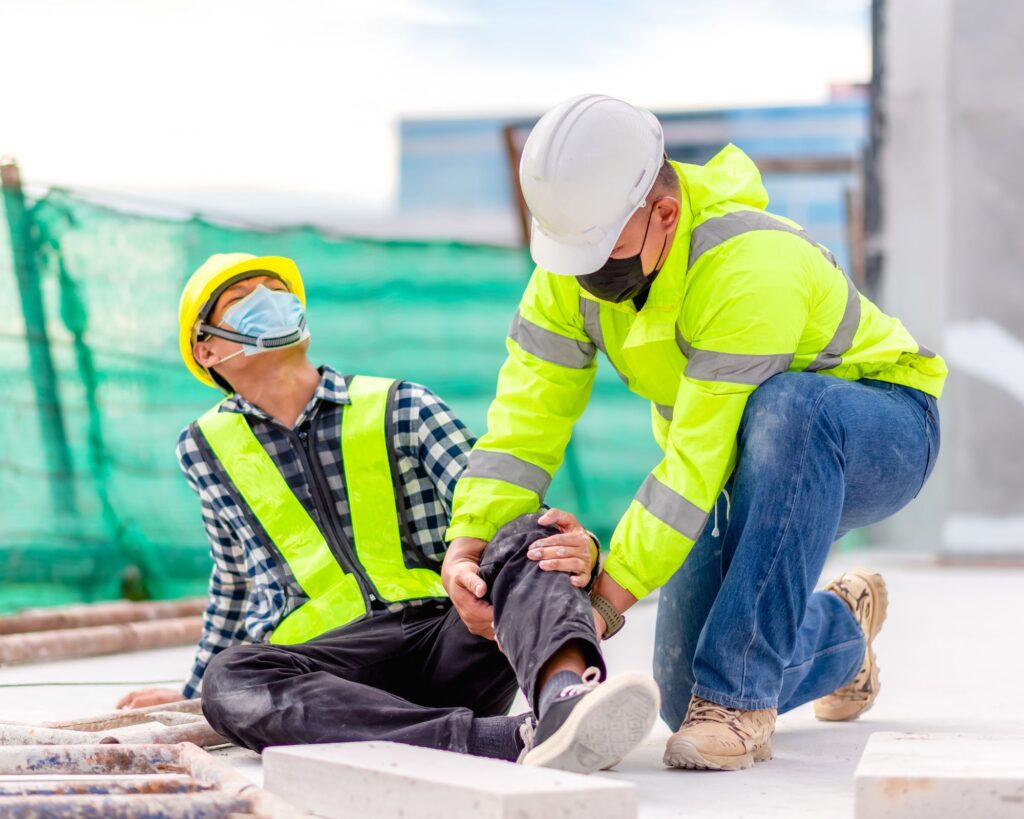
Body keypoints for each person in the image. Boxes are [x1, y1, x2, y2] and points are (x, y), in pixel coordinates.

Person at [444, 94, 945, 771]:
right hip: (740, 461)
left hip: (878, 430)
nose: (589, 274)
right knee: (682, 692)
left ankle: (741, 703)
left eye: (603, 249)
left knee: (787, 409)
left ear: (665, 214)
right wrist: (470, 545)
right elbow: (524, 421)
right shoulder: (570, 274)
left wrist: (601, 602)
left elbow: (695, 463)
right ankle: (842, 634)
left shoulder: (749, 266)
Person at [118, 252, 658, 772]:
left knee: (524, 530)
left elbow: (498, 505)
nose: (268, 303)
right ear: (207, 350)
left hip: (446, 635)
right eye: (241, 300)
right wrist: (193, 692)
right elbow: (235, 584)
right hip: (327, 673)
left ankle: (564, 700)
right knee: (229, 679)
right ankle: (502, 739)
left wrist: (581, 549)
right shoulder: (203, 448)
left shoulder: (402, 405)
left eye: (278, 294)